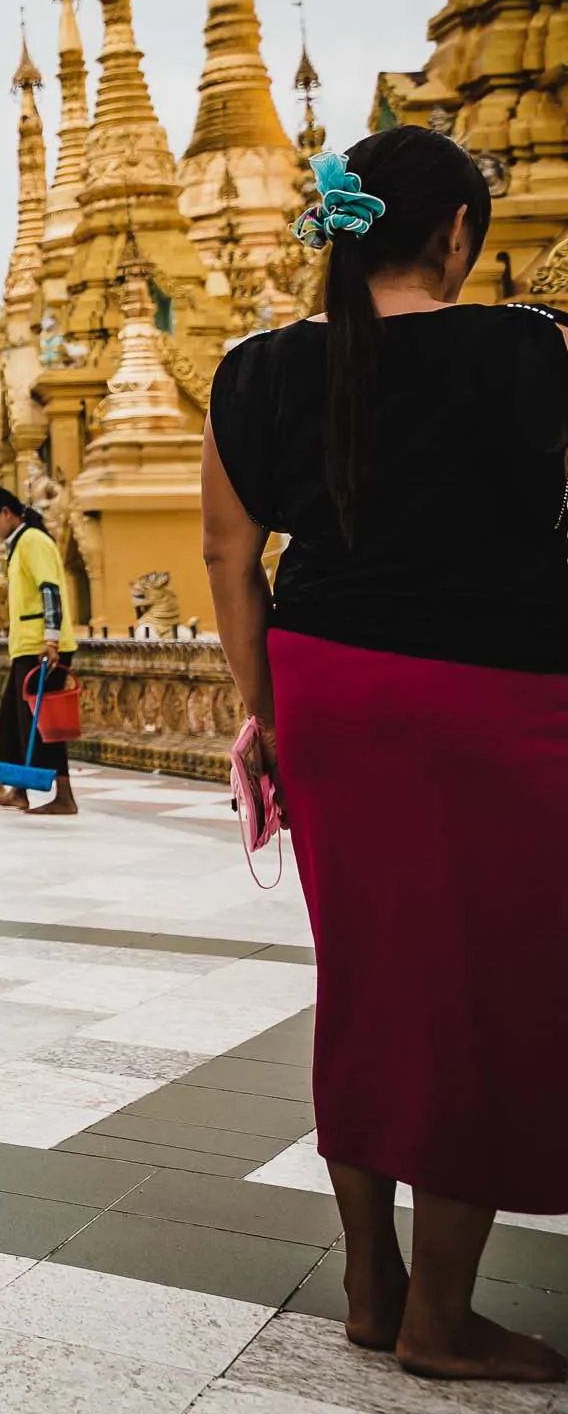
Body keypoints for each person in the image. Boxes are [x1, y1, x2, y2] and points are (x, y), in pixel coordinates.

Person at [203, 128, 568, 1386]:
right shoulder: (537, 351)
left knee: (364, 980)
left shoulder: (253, 373)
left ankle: (373, 1280)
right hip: (502, 700)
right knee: (488, 995)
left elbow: (229, 561)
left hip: (330, 697)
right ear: (456, 235)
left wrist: (267, 718)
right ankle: (444, 1317)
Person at [0, 486, 75, 815]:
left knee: (46, 722)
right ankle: (19, 789)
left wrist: (51, 638)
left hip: (43, 647)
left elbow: (50, 590)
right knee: (15, 721)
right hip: (26, 647)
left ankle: (64, 796)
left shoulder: (32, 541)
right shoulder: (19, 544)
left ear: (6, 512)